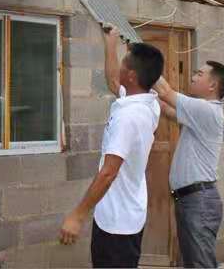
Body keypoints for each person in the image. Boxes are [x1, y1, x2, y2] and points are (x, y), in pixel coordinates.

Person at [60, 26, 162, 268]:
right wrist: (110, 45)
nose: (120, 66)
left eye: (124, 62)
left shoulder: (129, 118)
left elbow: (108, 173)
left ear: (132, 76)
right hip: (124, 215)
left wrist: (78, 215)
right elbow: (112, 80)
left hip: (118, 225)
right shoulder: (147, 103)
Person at [154, 61, 224, 268]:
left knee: (200, 264)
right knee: (193, 263)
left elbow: (165, 91)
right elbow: (167, 109)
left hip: (199, 202)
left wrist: (145, 59)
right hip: (193, 200)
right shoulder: (200, 113)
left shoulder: (205, 109)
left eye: (199, 74)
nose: (193, 77)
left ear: (212, 86)